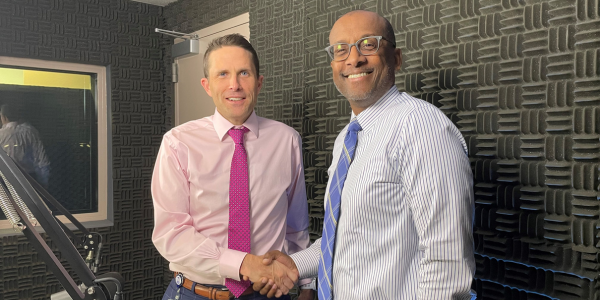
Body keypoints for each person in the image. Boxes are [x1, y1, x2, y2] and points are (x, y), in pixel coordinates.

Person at [250, 10, 476, 300]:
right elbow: (343, 236)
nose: (353, 58)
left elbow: (447, 257)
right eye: (341, 49)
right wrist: (295, 263)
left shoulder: (421, 126)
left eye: (368, 44)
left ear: (395, 58)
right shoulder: (349, 137)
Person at [151, 34, 315, 300]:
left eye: (244, 73)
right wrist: (243, 264)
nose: (234, 85)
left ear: (259, 83)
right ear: (206, 85)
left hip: (268, 294)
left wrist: (307, 285)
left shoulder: (287, 141)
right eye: (223, 74)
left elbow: (296, 226)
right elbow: (171, 234)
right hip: (196, 293)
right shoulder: (177, 143)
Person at [0, 104, 50, 188]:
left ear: (4, 117)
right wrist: (43, 184)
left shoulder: (1, 134)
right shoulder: (31, 132)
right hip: (29, 180)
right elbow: (41, 160)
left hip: (5, 181)